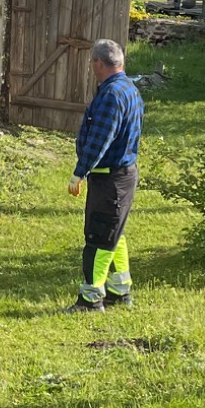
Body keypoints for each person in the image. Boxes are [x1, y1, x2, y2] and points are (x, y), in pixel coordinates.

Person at [66, 38, 142, 312]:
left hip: (111, 179)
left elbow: (100, 140)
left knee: (98, 239)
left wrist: (79, 172)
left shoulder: (110, 96)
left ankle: (90, 299)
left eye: (92, 63)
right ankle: (120, 292)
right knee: (114, 234)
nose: (92, 67)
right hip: (120, 176)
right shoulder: (129, 88)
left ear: (98, 63)